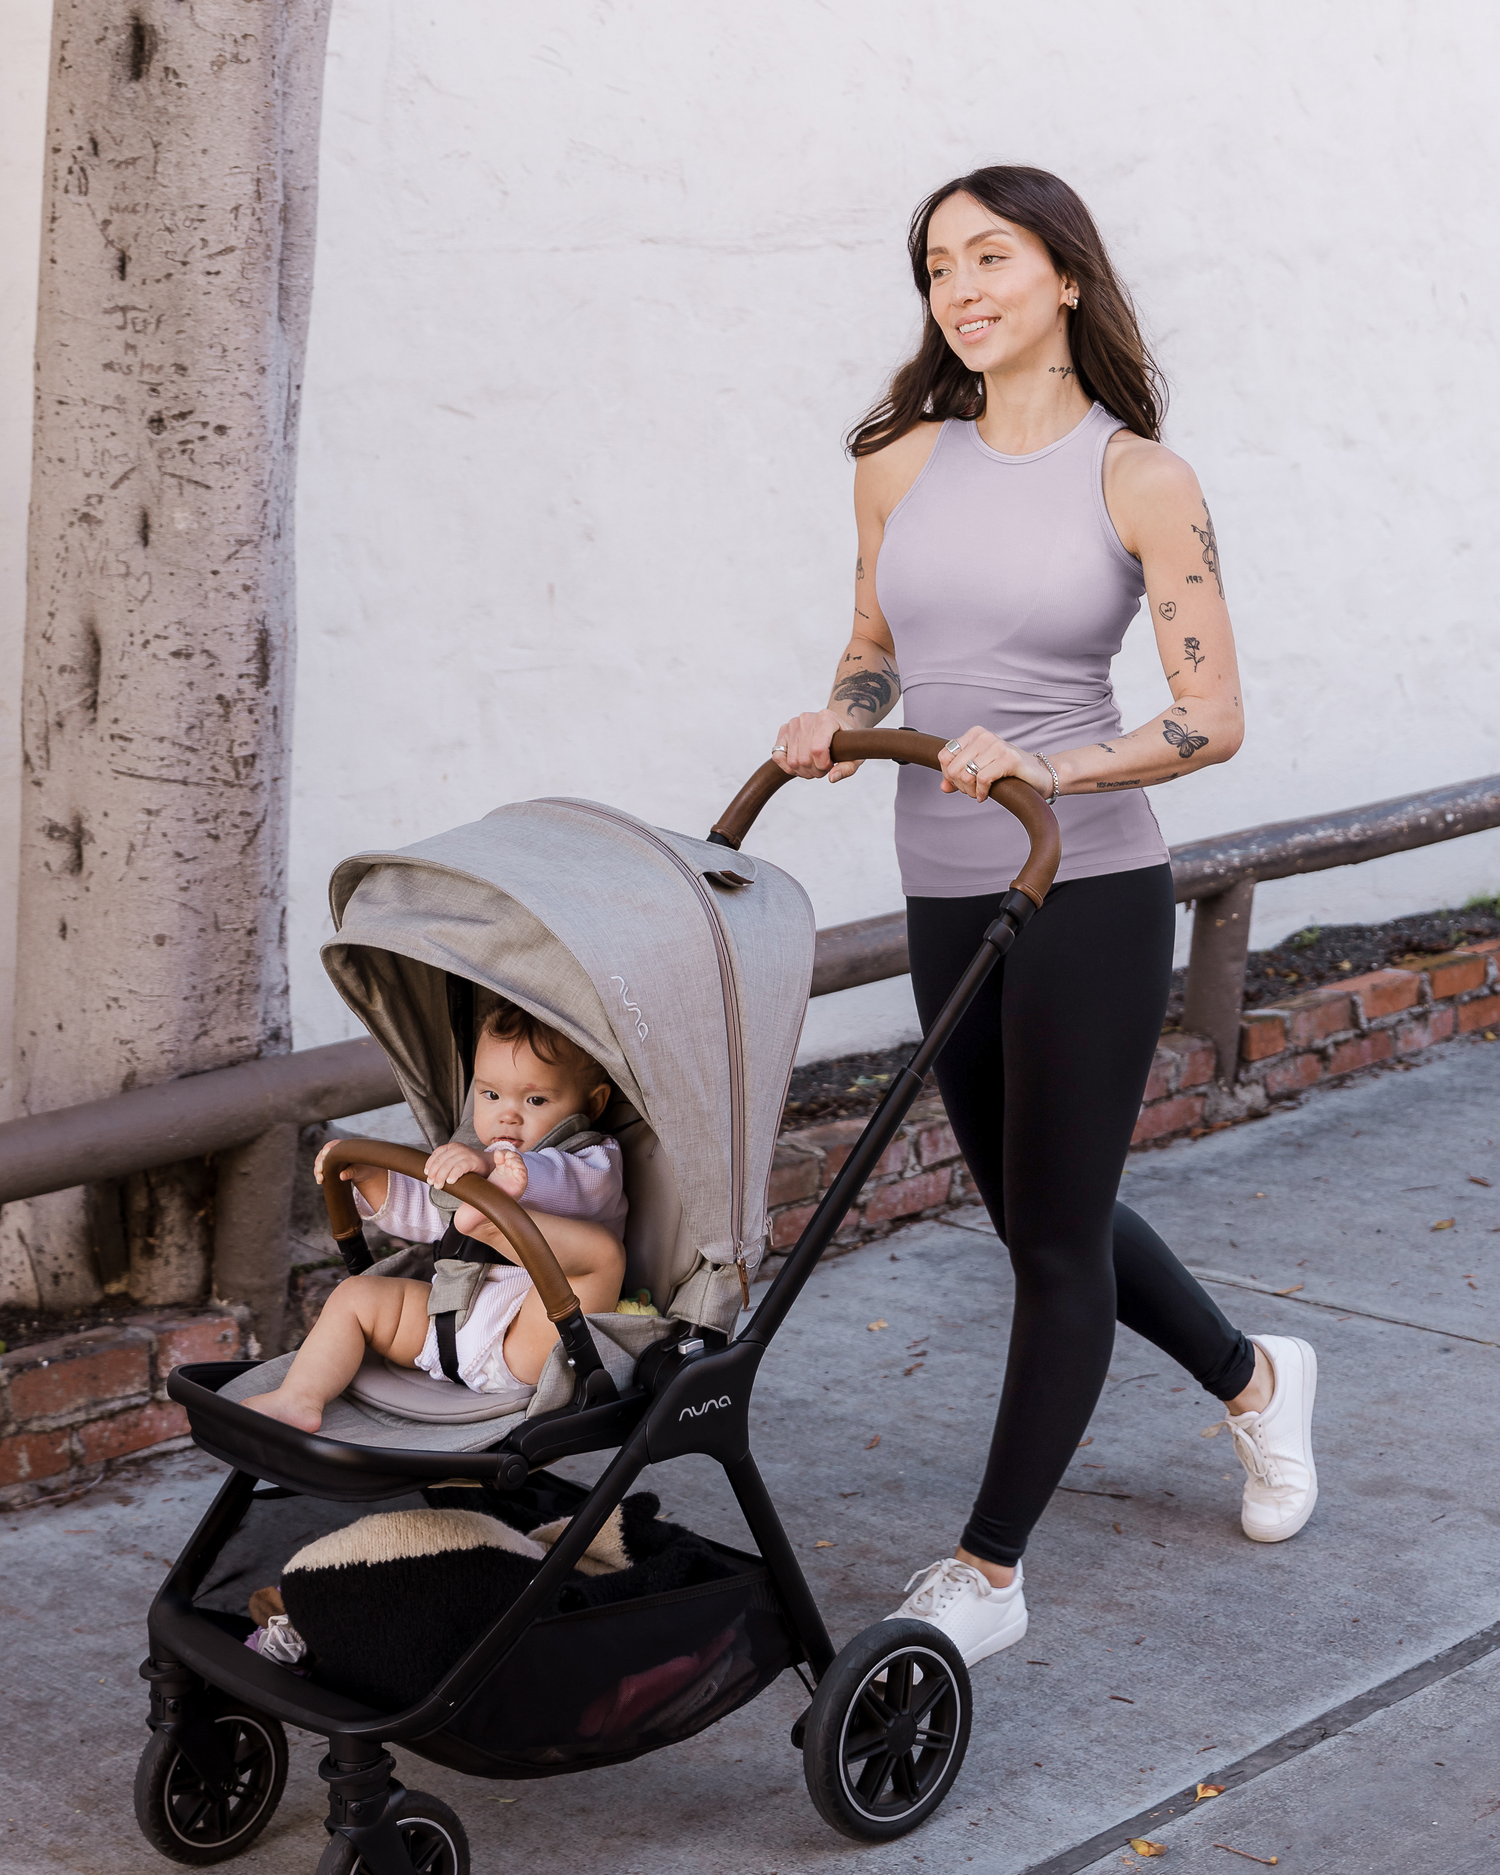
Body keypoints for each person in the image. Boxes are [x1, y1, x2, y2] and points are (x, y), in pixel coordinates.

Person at [772, 166, 1316, 1669]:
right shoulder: (897, 460)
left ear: (1065, 275)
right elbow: (878, 645)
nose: (960, 285)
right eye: (937, 264)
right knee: (1036, 1214)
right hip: (945, 878)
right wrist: (843, 712)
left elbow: (1211, 718)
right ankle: (1256, 1378)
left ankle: (988, 1566)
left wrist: (1054, 766)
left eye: (990, 254)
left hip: (1087, 880)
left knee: (1053, 1245)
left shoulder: (1140, 476)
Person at [244, 1000, 627, 1431]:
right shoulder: (468, 1154)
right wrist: (371, 1176)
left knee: (603, 1254)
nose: (507, 1114)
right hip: (440, 1333)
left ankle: (491, 1220)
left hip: (534, 1338)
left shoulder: (593, 1159)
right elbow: (425, 1212)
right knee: (356, 1295)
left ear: (591, 1104)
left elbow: (570, 1186)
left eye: (535, 1099)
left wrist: (498, 1166)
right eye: (491, 1094)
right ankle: (298, 1398)